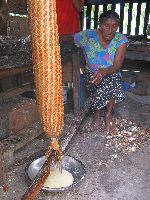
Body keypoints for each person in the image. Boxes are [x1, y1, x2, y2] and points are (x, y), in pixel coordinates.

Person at [74, 10, 129, 133]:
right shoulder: (87, 36)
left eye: (114, 26)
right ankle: (97, 115)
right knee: (95, 80)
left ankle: (108, 115)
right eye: (106, 26)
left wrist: (104, 71)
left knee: (111, 80)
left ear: (117, 27)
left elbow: (117, 65)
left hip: (111, 72)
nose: (110, 30)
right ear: (100, 25)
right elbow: (70, 38)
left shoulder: (121, 40)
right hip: (91, 73)